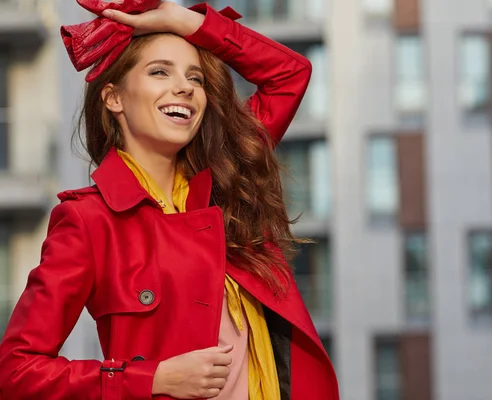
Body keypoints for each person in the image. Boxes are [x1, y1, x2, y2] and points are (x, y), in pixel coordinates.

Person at [0, 1, 339, 399]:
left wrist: (183, 20)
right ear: (113, 98)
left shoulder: (227, 185)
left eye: (195, 78)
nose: (185, 88)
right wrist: (152, 379)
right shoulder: (88, 219)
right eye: (160, 71)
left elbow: (289, 74)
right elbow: (17, 370)